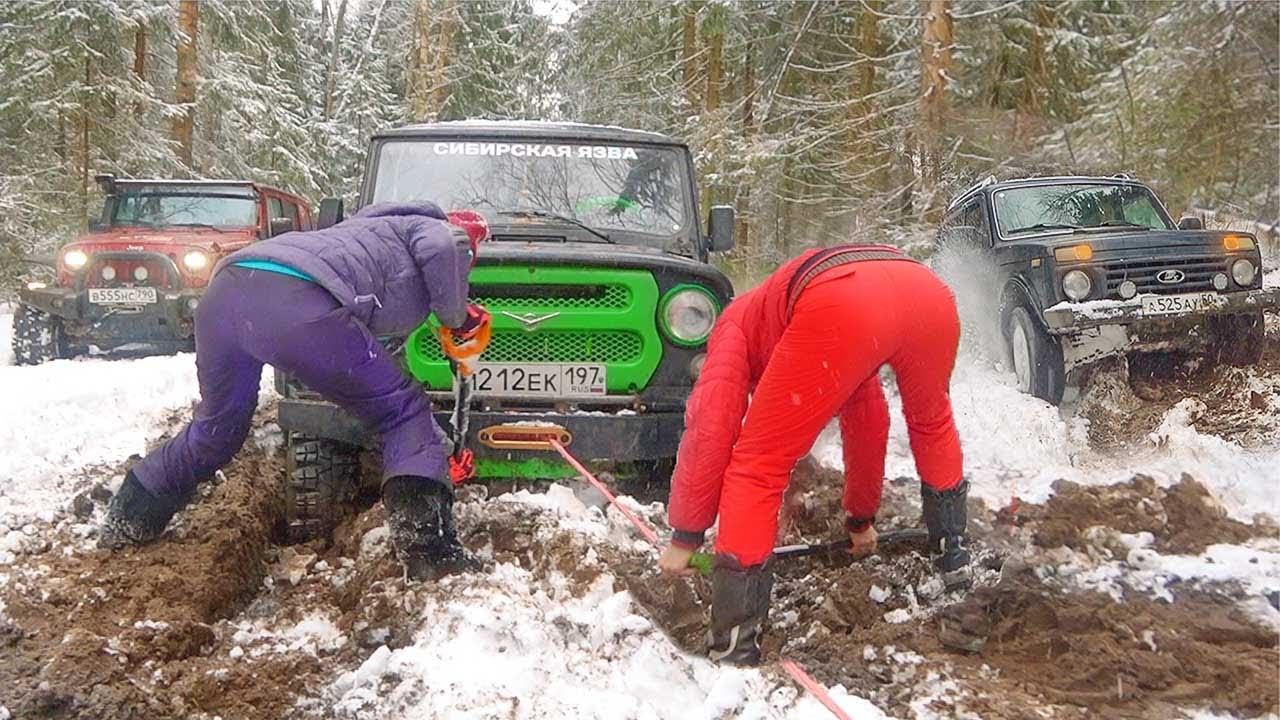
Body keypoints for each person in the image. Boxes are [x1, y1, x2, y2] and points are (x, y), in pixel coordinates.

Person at [98, 203, 491, 580]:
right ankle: (429, 552)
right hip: (295, 302)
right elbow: (444, 245)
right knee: (402, 412)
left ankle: (131, 515)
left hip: (226, 294)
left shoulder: (361, 232)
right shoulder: (432, 227)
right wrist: (456, 318)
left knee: (218, 429)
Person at [657, 244, 969, 665]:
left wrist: (686, 535)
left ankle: (732, 647)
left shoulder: (734, 325)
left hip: (843, 296)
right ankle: (955, 565)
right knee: (932, 424)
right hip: (927, 293)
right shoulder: (789, 317)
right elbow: (868, 421)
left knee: (757, 466)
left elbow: (712, 427)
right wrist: (861, 519)